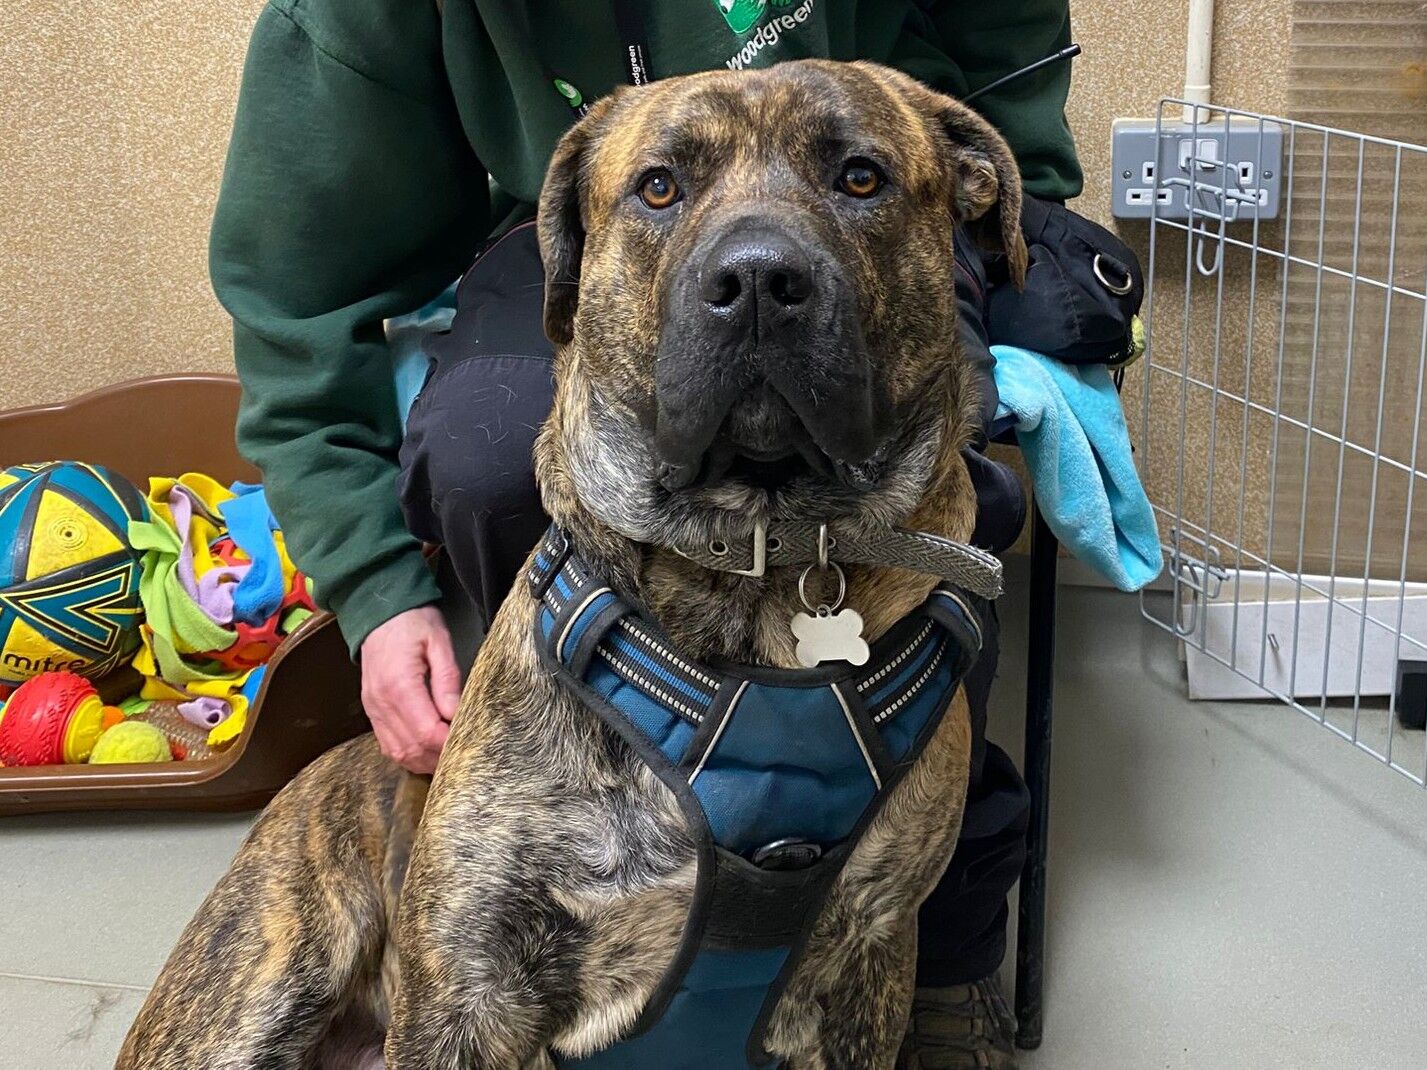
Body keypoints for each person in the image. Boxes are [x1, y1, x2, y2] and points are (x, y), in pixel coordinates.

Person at [211, 3, 1083, 1066]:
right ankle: (556, 807)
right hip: (576, 223)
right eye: (668, 188)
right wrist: (374, 589)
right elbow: (295, 294)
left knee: (963, 503)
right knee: (484, 447)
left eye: (847, 176)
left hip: (898, 184)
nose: (754, 259)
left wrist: (1024, 187)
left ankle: (937, 923)